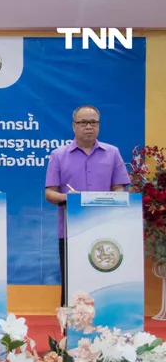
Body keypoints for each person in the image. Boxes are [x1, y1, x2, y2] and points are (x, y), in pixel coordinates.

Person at [45, 105, 130, 307]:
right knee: (71, 282)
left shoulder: (112, 153)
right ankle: (70, 325)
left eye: (93, 122)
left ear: (99, 126)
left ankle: (106, 322)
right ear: (74, 126)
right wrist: (68, 198)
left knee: (104, 278)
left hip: (105, 230)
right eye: (83, 122)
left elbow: (120, 188)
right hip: (71, 231)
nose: (89, 127)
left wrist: (109, 200)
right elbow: (49, 193)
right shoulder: (58, 155)